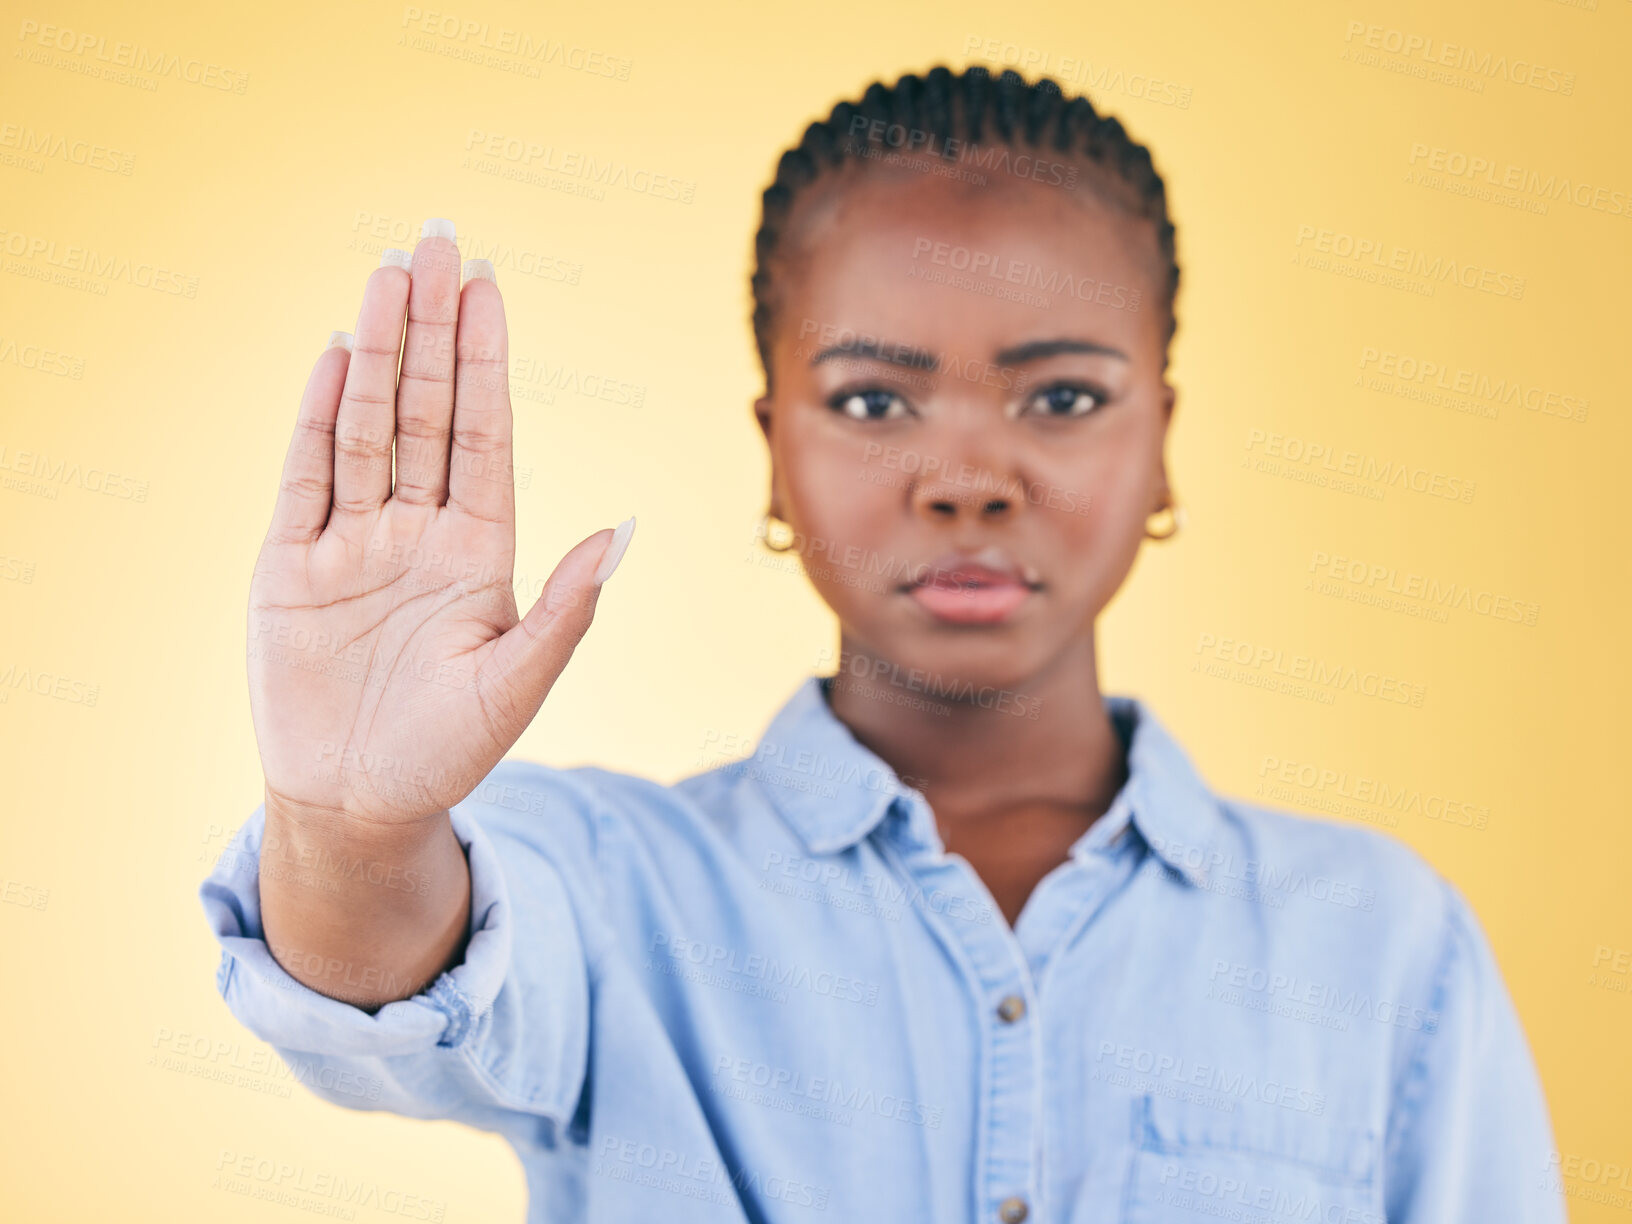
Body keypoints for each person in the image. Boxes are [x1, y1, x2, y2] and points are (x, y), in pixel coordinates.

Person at [200, 65, 1564, 1222]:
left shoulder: (1381, 943)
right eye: (871, 399)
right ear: (775, 457)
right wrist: (351, 831)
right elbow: (386, 977)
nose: (967, 477)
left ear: (1161, 448)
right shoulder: (621, 897)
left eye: (1065, 394)